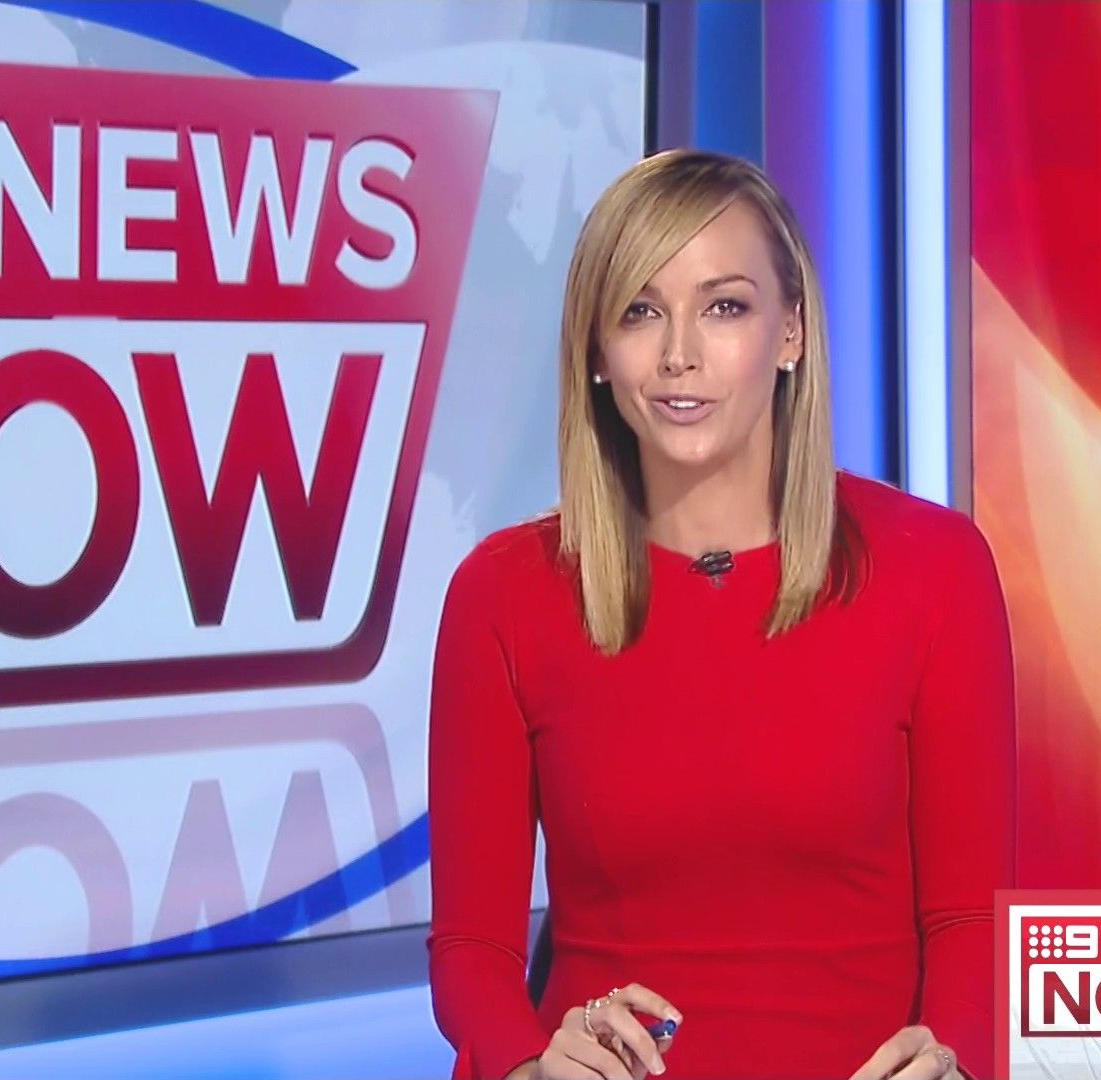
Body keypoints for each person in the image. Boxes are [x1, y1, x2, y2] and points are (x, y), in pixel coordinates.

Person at [424, 149, 1015, 1080]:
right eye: (639, 311)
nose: (679, 354)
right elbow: (472, 951)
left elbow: (972, 922)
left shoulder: (935, 569)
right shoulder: (503, 593)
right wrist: (529, 1064)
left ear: (791, 333)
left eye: (725, 307)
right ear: (596, 353)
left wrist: (955, 1062)